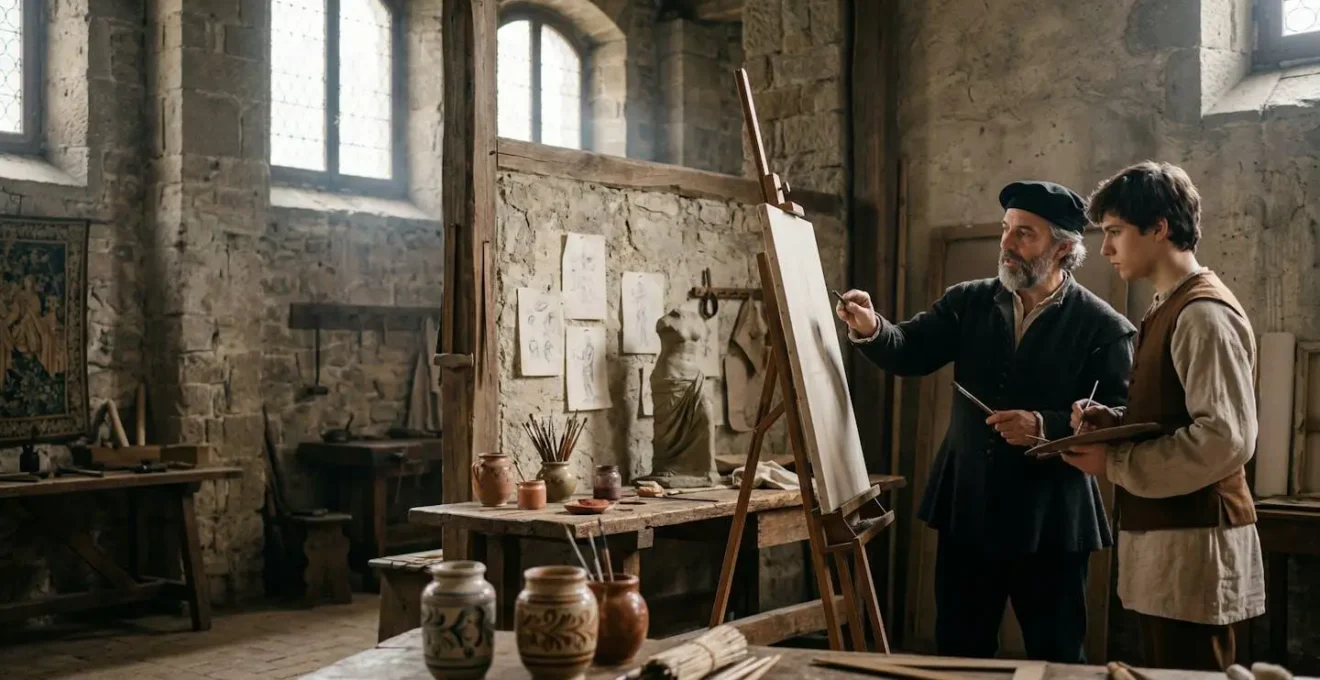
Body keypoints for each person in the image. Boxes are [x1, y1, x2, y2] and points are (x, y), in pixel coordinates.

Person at [836, 180, 1136, 663]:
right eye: (1006, 230)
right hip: (968, 503)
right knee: (959, 650)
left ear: (1062, 248)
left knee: (1057, 654)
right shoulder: (967, 301)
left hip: (1053, 518)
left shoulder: (1104, 327)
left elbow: (1117, 417)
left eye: (1025, 234)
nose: (1007, 244)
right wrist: (871, 327)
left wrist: (1045, 424)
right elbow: (910, 349)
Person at [1064, 161, 1264, 671]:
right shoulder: (1167, 305)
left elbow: (1224, 438)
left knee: (1191, 673)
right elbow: (1176, 414)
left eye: (1115, 232)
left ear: (1159, 228)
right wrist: (1114, 420)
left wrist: (1115, 465)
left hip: (1197, 542)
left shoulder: (1203, 314)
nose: (1105, 249)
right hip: (1173, 539)